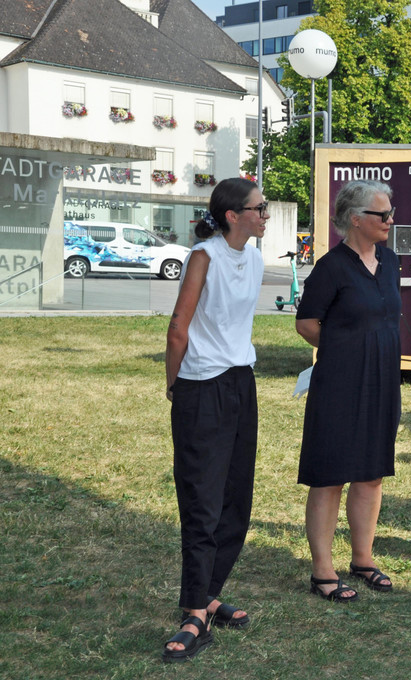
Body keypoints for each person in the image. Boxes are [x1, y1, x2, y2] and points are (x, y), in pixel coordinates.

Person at [162, 177, 267, 662]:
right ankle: (193, 614)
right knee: (202, 501)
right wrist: (174, 386)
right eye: (258, 208)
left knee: (235, 499)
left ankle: (208, 594)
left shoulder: (256, 259)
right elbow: (178, 328)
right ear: (232, 215)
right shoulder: (203, 256)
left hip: (241, 383)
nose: (264, 215)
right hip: (201, 386)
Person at [295, 179, 401, 603]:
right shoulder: (331, 267)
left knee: (371, 473)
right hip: (339, 382)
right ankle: (323, 570)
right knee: (330, 476)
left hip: (382, 380)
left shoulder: (390, 261)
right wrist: (344, 348)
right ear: (355, 219)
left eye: (391, 213)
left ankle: (363, 558)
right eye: (383, 214)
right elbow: (307, 323)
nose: (390, 220)